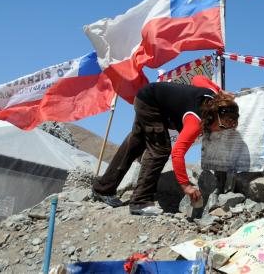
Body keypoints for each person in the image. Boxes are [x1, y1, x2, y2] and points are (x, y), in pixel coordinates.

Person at [91, 75, 239, 215]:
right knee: (160, 150)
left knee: (135, 144)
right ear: (213, 115)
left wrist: (220, 91)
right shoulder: (195, 121)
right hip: (150, 104)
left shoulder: (213, 95)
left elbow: (197, 79)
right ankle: (140, 202)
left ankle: (103, 189)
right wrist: (186, 185)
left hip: (147, 96)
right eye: (222, 126)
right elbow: (178, 153)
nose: (222, 131)